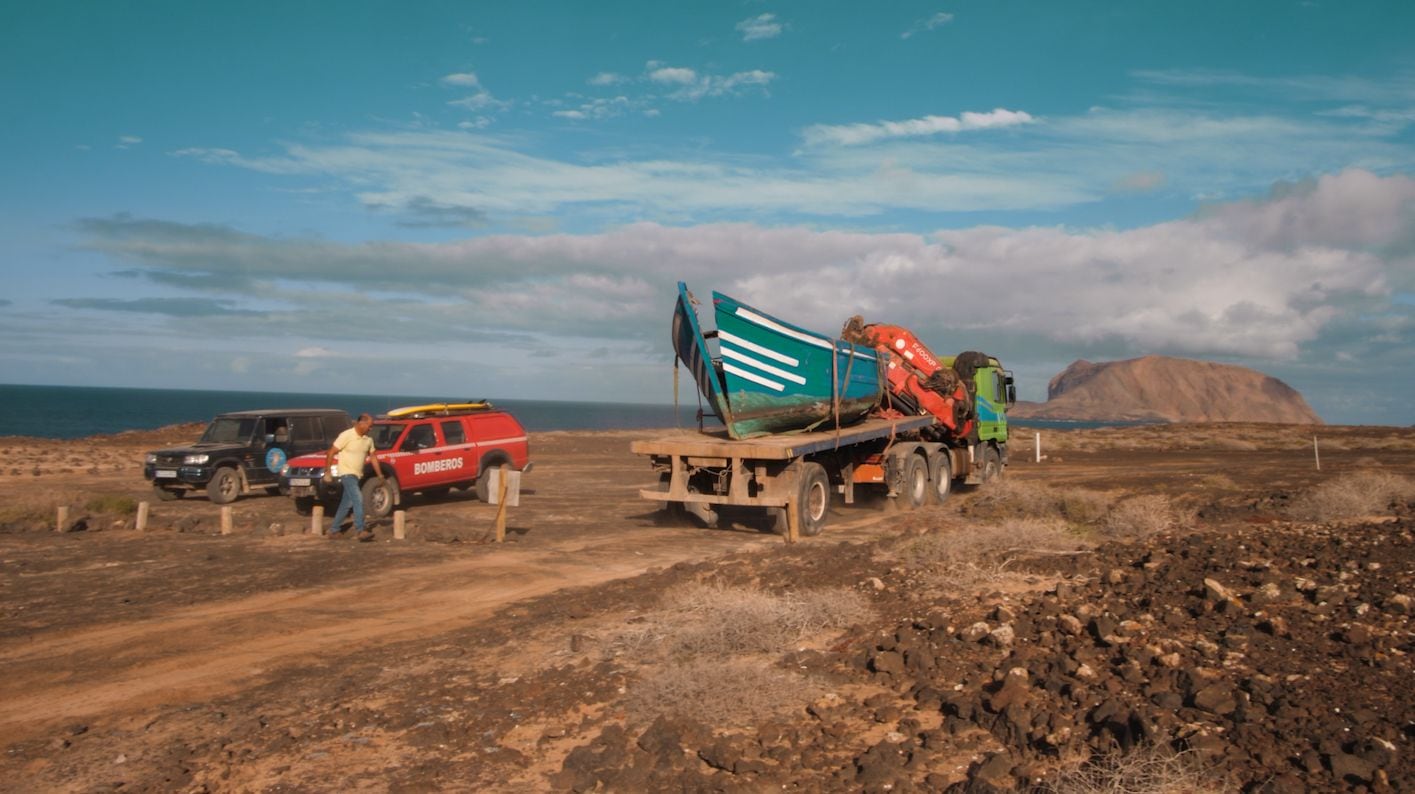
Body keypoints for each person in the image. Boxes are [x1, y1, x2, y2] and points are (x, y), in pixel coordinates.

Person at [324, 413, 386, 541]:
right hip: (346, 473)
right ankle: (360, 529)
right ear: (361, 423)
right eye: (369, 426)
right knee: (358, 498)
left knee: (346, 503)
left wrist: (380, 474)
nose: (370, 429)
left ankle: (334, 530)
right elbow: (331, 452)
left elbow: (373, 457)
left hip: (357, 475)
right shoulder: (346, 435)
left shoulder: (368, 440)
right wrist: (328, 471)